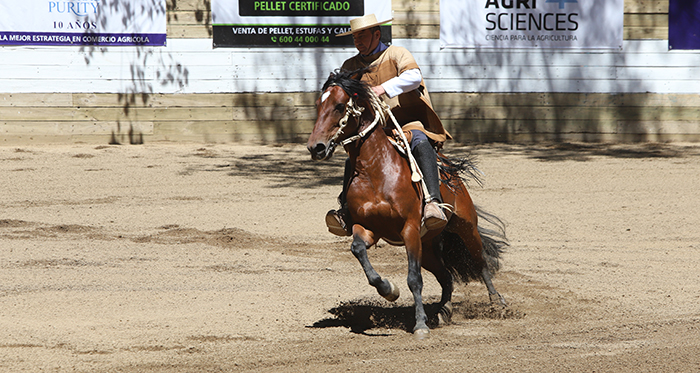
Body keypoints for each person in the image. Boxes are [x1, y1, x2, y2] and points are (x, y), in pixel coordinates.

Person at [325, 13, 452, 237]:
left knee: (420, 141)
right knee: (352, 158)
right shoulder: (351, 66)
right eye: (355, 37)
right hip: (375, 129)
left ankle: (433, 202)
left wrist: (382, 88)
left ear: (377, 34)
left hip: (407, 121)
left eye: (362, 36)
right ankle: (346, 210)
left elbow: (413, 76)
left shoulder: (396, 53)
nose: (358, 41)